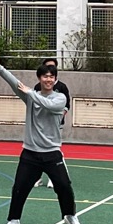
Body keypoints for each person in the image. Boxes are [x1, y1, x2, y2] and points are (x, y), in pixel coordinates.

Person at [0, 50, 82, 224]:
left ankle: (70, 216)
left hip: (52, 152)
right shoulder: (30, 96)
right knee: (19, 188)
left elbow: (47, 104)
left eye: (51, 77)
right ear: (39, 78)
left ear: (55, 79)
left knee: (64, 186)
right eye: (45, 76)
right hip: (30, 153)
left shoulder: (59, 98)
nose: (48, 79)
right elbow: (14, 83)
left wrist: (30, 92)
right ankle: (14, 220)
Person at [33, 58, 70, 189]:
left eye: (52, 69)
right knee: (36, 152)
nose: (48, 78)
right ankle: (37, 177)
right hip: (39, 126)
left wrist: (59, 117)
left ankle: (53, 178)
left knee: (54, 151)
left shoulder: (62, 87)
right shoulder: (37, 88)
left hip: (56, 125)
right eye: (47, 70)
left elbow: (66, 105)